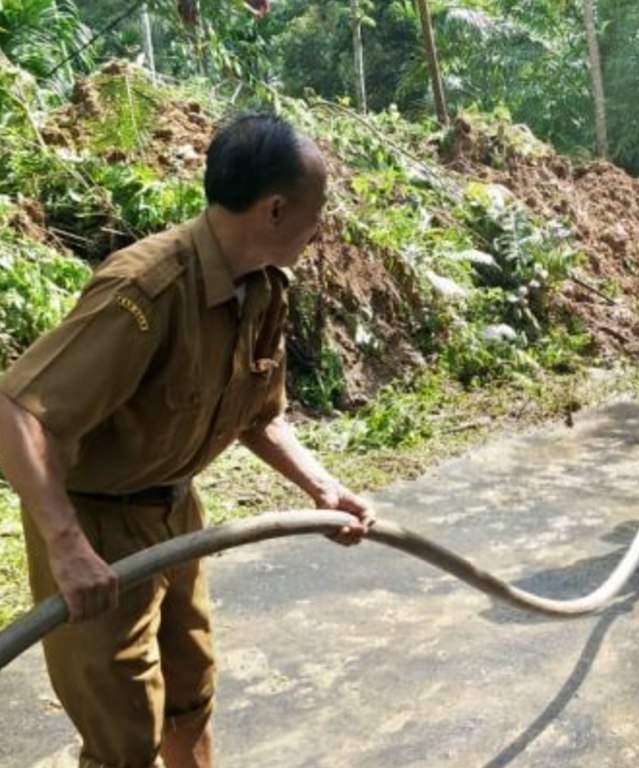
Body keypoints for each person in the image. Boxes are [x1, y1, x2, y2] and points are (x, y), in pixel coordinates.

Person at [0, 113, 373, 768]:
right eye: (317, 211)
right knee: (123, 740)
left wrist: (323, 488)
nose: (322, 229)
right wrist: (67, 546)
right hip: (100, 532)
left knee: (190, 698)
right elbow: (17, 412)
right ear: (277, 209)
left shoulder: (263, 287)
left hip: (177, 518)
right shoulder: (147, 290)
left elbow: (259, 415)